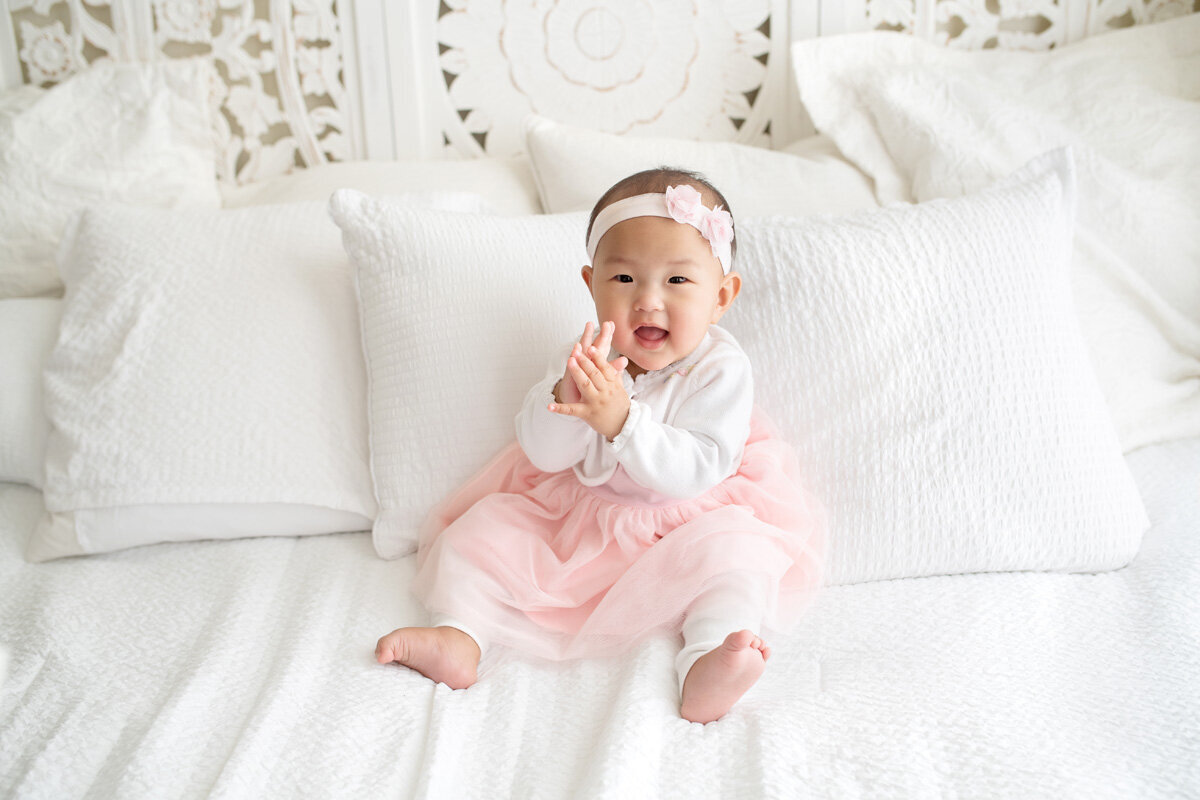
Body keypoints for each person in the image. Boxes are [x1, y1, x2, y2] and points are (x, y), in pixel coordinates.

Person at [376, 167, 825, 724]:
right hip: (583, 520)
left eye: (678, 282)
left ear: (721, 296)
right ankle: (459, 635)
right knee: (483, 534)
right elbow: (543, 455)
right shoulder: (587, 355)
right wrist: (568, 394)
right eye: (625, 280)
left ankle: (709, 661)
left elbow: (701, 466)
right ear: (591, 284)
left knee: (737, 563)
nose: (648, 303)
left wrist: (622, 422)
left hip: (688, 522)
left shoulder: (721, 368)